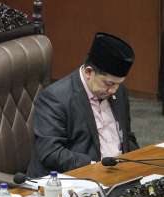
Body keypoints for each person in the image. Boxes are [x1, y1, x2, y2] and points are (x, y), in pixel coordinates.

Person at [28, 32, 139, 177]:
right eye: (109, 84)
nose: (113, 91)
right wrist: (96, 167)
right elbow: (51, 152)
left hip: (118, 173)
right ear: (88, 72)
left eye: (119, 84)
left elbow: (127, 136)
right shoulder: (55, 98)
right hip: (75, 180)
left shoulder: (119, 91)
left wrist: (136, 163)